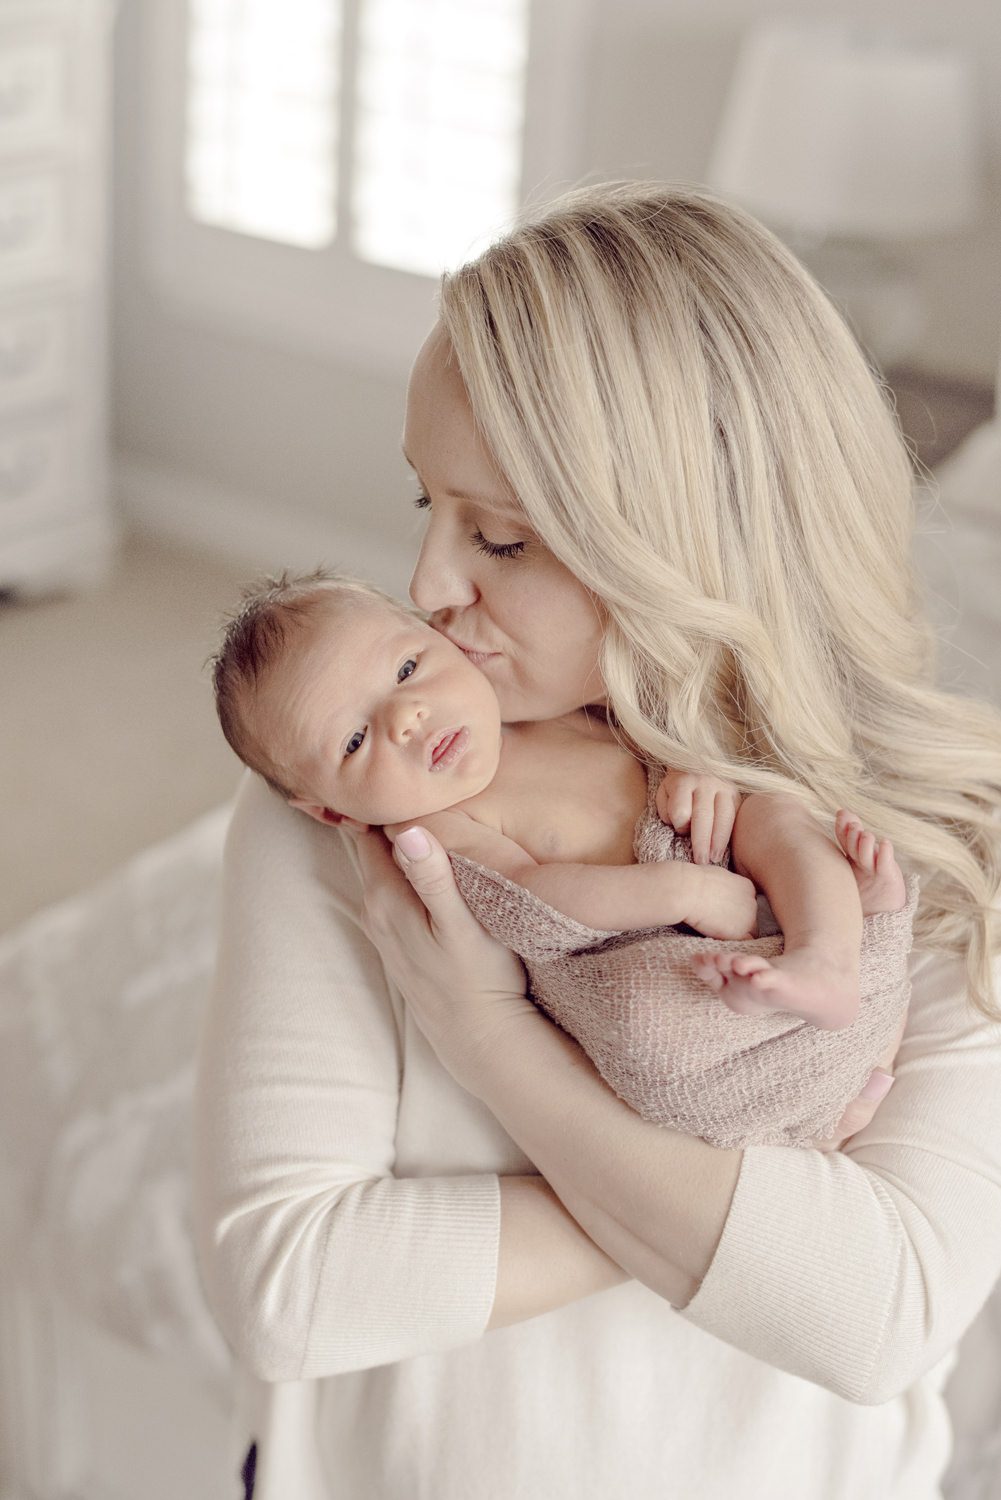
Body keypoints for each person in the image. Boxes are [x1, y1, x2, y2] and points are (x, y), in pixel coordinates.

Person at [193, 183, 1001, 1500]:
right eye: (427, 509)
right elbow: (290, 1289)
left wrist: (496, 1051)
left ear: (692, 541)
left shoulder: (926, 845)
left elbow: (882, 1315)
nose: (432, 591)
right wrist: (764, 1195)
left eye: (499, 535)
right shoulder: (366, 813)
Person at [210, 567, 911, 1034]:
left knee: (776, 813)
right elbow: (535, 898)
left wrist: (693, 769)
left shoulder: (531, 704)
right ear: (332, 812)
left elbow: (651, 731)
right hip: (655, 929)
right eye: (356, 740)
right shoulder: (439, 827)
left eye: (405, 669)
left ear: (438, 637)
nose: (406, 718)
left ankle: (833, 951)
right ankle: (819, 1080)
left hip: (708, 843)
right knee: (651, 1018)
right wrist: (677, 891)